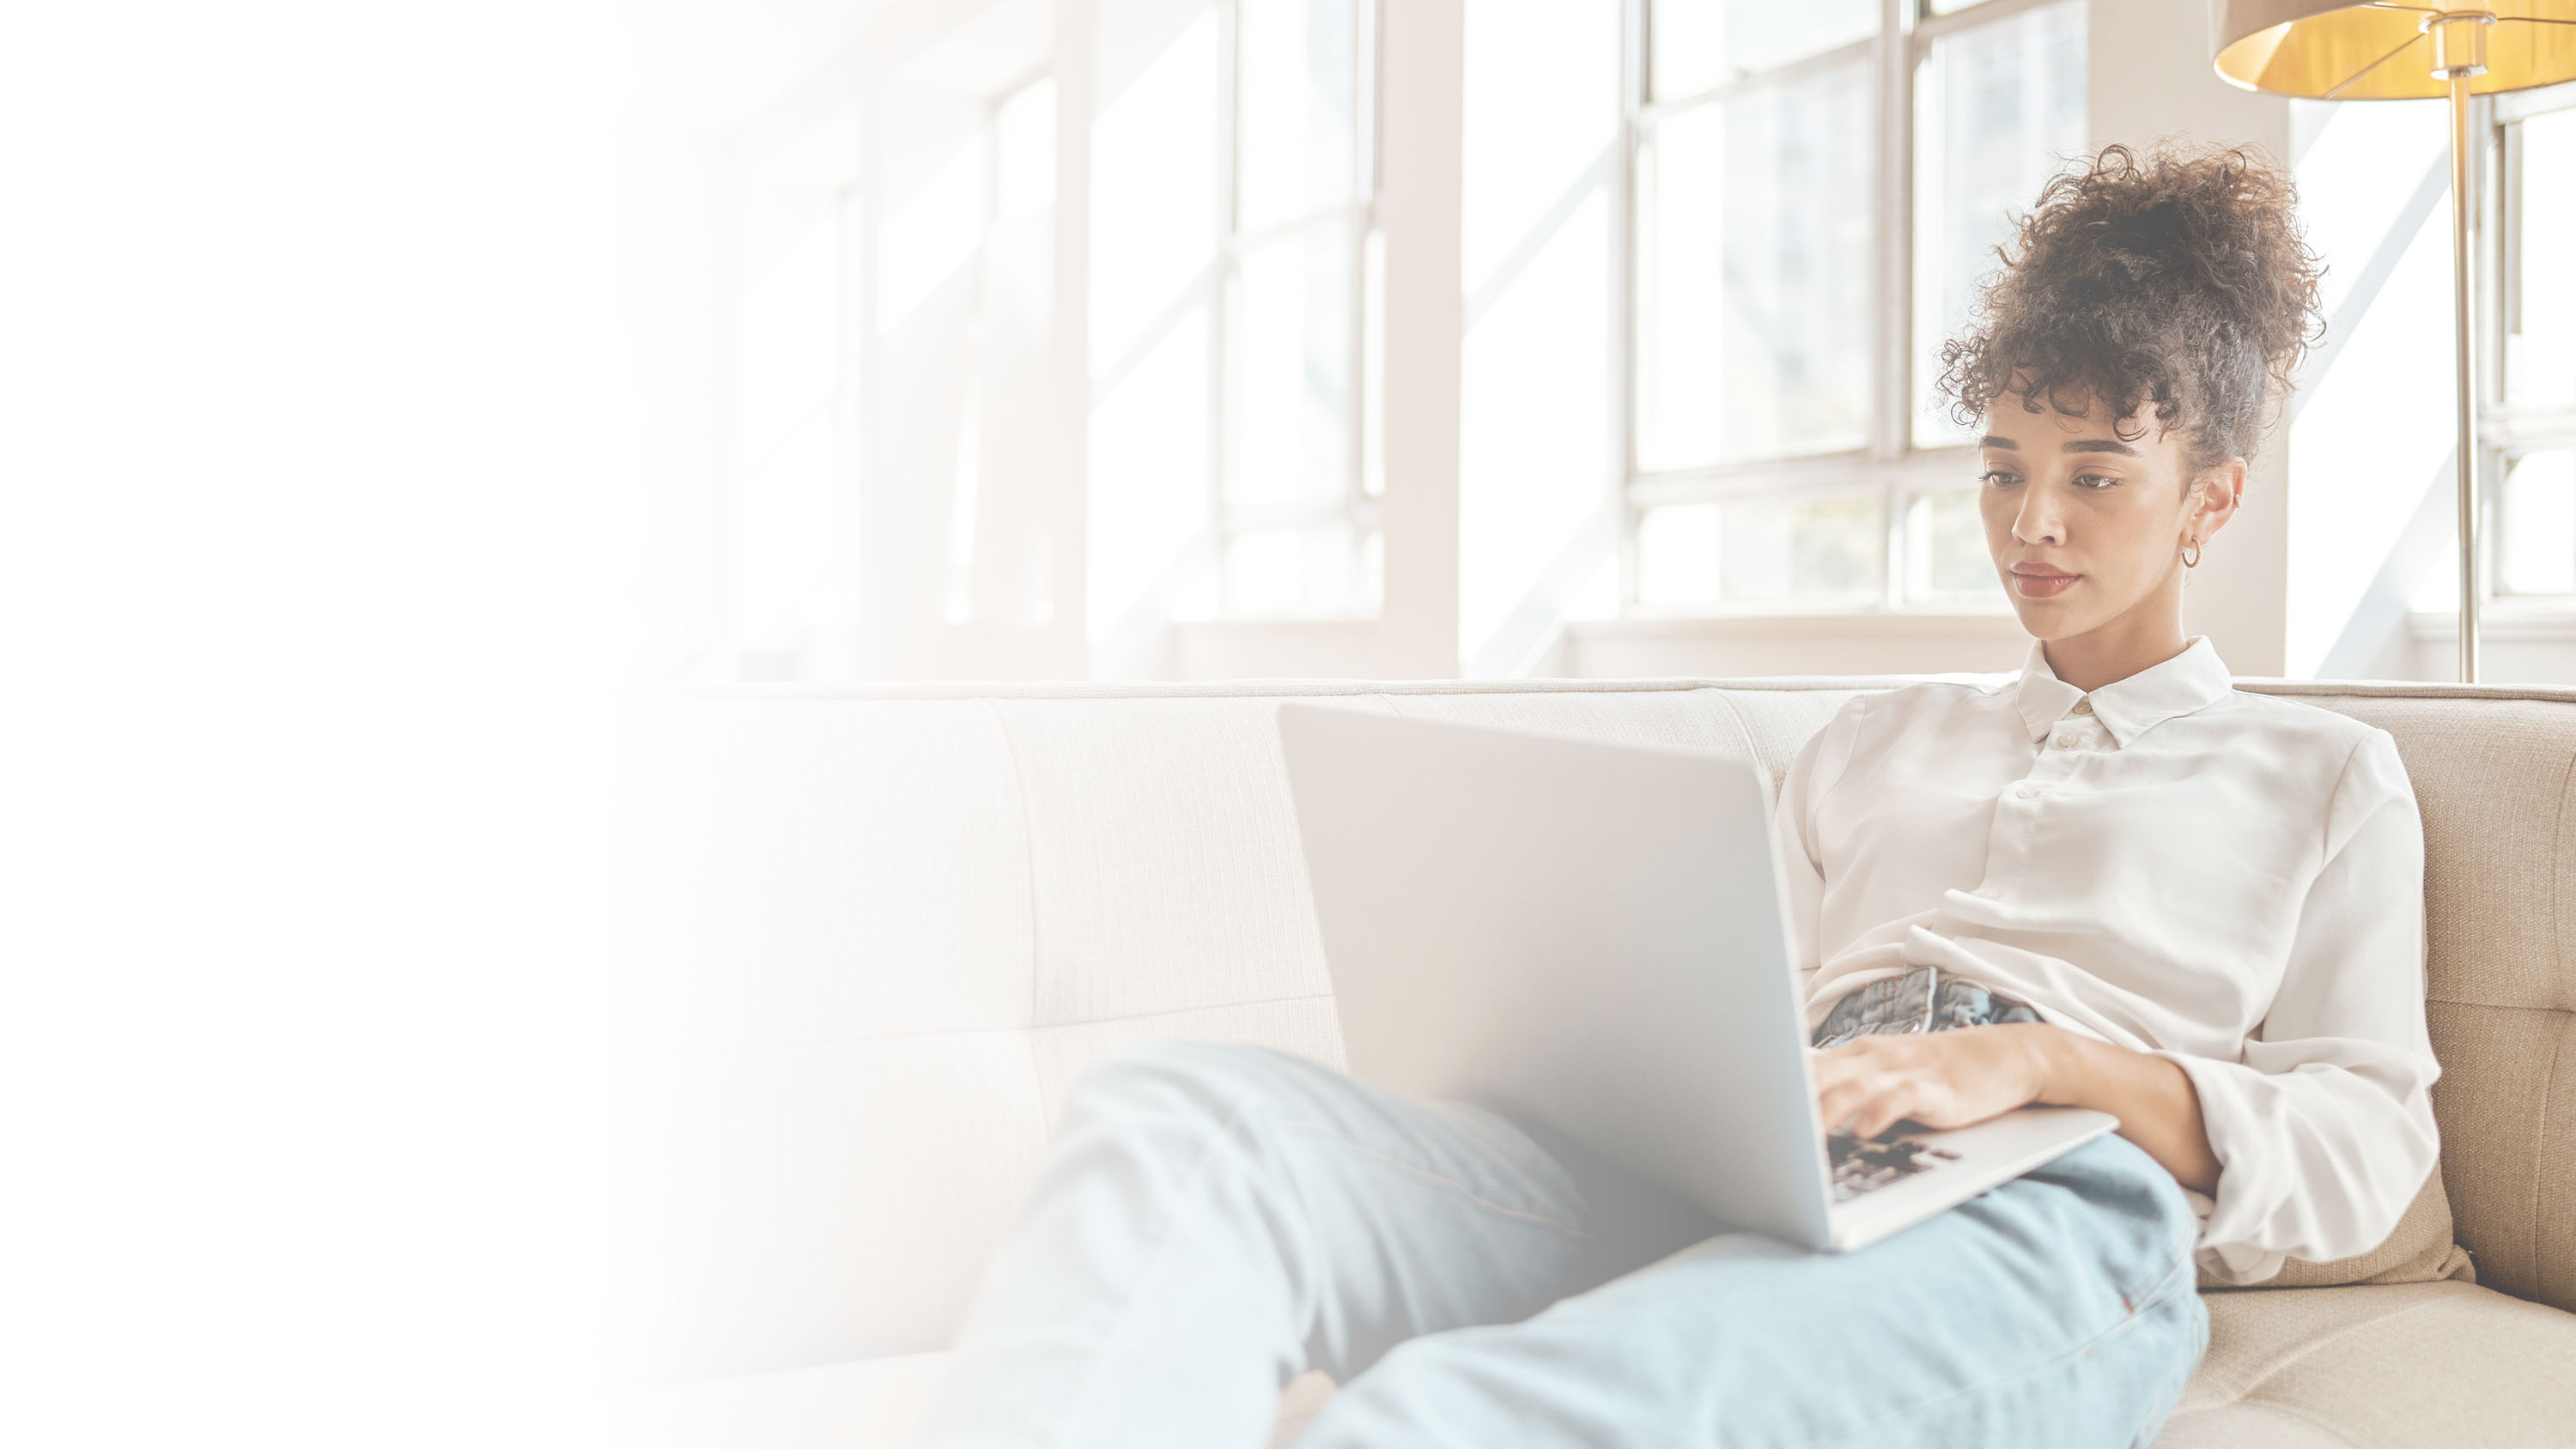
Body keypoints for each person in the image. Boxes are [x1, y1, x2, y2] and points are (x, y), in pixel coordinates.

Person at [920, 144, 2439, 1449]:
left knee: (1460, 1415)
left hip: (2045, 1207)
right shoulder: (1873, 740)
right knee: (1186, 1125)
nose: (2030, 523)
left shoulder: (2319, 777)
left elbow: (2371, 1151)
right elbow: (1729, 1010)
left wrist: (2039, 1064)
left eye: (2096, 475)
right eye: (2000, 468)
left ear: (2214, 497)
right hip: (1755, 1158)